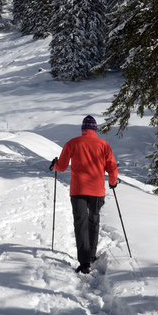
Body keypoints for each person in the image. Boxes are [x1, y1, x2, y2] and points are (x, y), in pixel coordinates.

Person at [50, 115, 118, 274]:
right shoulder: (104, 145)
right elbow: (112, 168)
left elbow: (61, 166)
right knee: (93, 220)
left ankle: (84, 261)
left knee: (80, 223)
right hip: (97, 190)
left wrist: (54, 164)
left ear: (83, 129)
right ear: (95, 129)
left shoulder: (72, 143)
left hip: (78, 190)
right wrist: (113, 182)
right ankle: (92, 254)